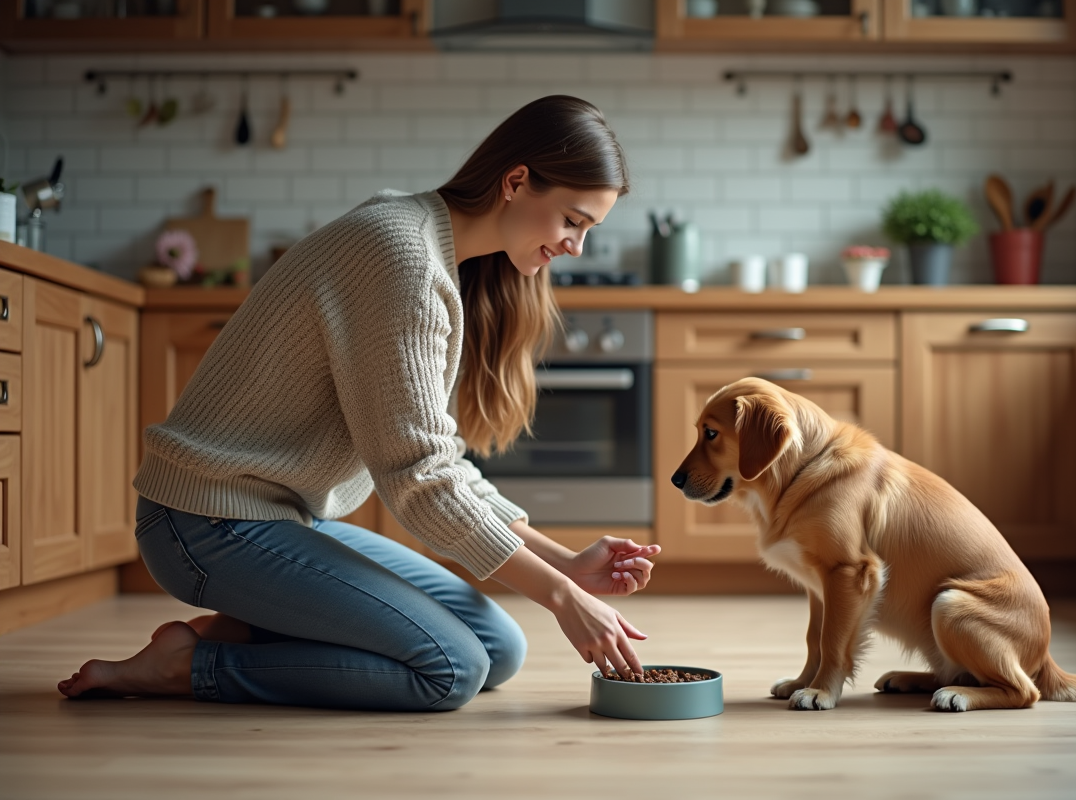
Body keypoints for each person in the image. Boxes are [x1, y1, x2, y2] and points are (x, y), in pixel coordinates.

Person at [58, 95, 660, 712]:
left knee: (497, 648)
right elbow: (420, 479)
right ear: (516, 182)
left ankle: (229, 632)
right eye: (573, 221)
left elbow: (437, 457)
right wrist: (561, 595)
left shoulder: (432, 245)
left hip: (288, 515)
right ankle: (189, 668)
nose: (575, 247)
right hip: (206, 520)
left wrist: (566, 565)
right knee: (451, 670)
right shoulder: (401, 258)